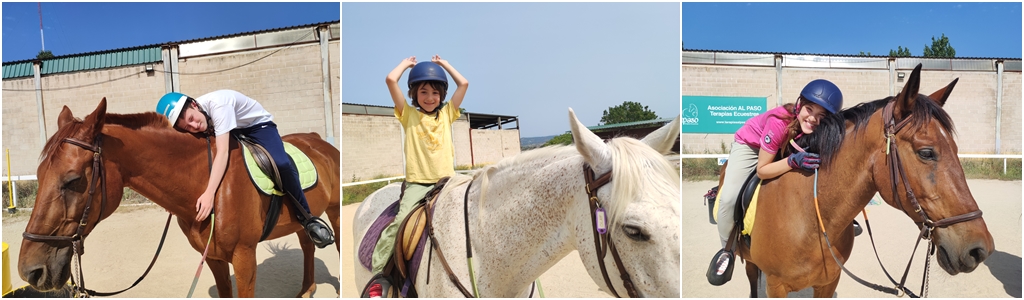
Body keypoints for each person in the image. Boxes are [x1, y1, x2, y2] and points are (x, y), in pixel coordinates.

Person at [155, 89, 334, 248]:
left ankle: (307, 218)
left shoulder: (219, 105)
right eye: (187, 127)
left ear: (194, 104)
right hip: (232, 129)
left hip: (257, 127)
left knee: (281, 163)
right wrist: (174, 200)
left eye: (192, 119)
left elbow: (223, 152)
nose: (194, 126)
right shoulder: (197, 117)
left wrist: (209, 193)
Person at [707, 79, 844, 284]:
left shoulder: (815, 128)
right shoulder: (778, 122)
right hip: (751, 147)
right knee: (729, 198)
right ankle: (727, 249)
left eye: (822, 116)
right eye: (809, 109)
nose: (814, 119)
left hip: (781, 144)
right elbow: (762, 170)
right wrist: (791, 161)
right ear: (799, 105)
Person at [366, 55, 469, 298]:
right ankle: (379, 276)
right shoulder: (408, 114)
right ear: (414, 94)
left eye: (435, 92)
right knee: (400, 223)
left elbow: (463, 84)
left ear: (442, 95)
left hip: (447, 182)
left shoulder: (447, 114)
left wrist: (444, 65)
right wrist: (405, 64)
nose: (430, 97)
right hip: (418, 183)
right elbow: (391, 79)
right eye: (424, 92)